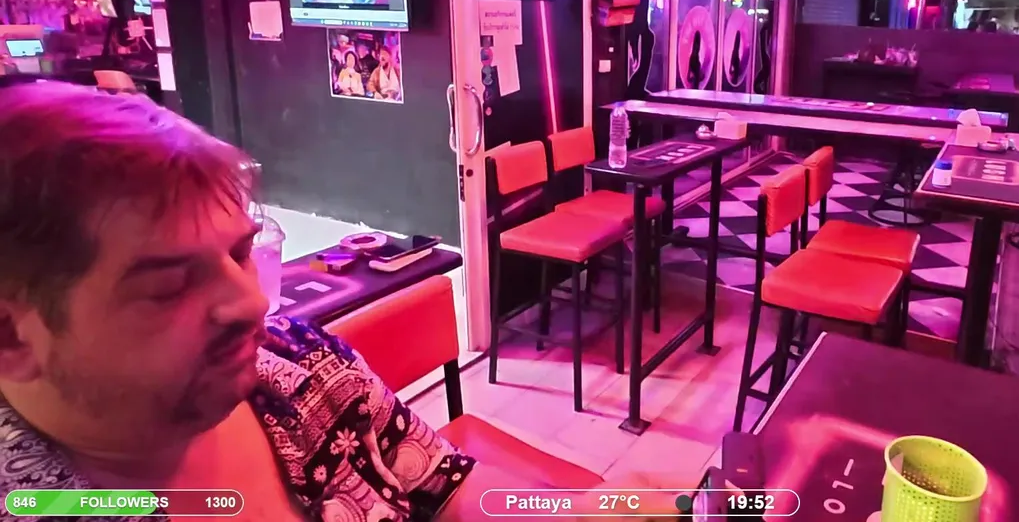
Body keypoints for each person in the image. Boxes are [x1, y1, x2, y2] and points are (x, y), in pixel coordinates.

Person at [0, 83, 664, 521]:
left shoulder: (300, 362)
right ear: (11, 336)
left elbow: (447, 488)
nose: (252, 303)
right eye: (171, 284)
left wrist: (596, 511)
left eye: (240, 253)